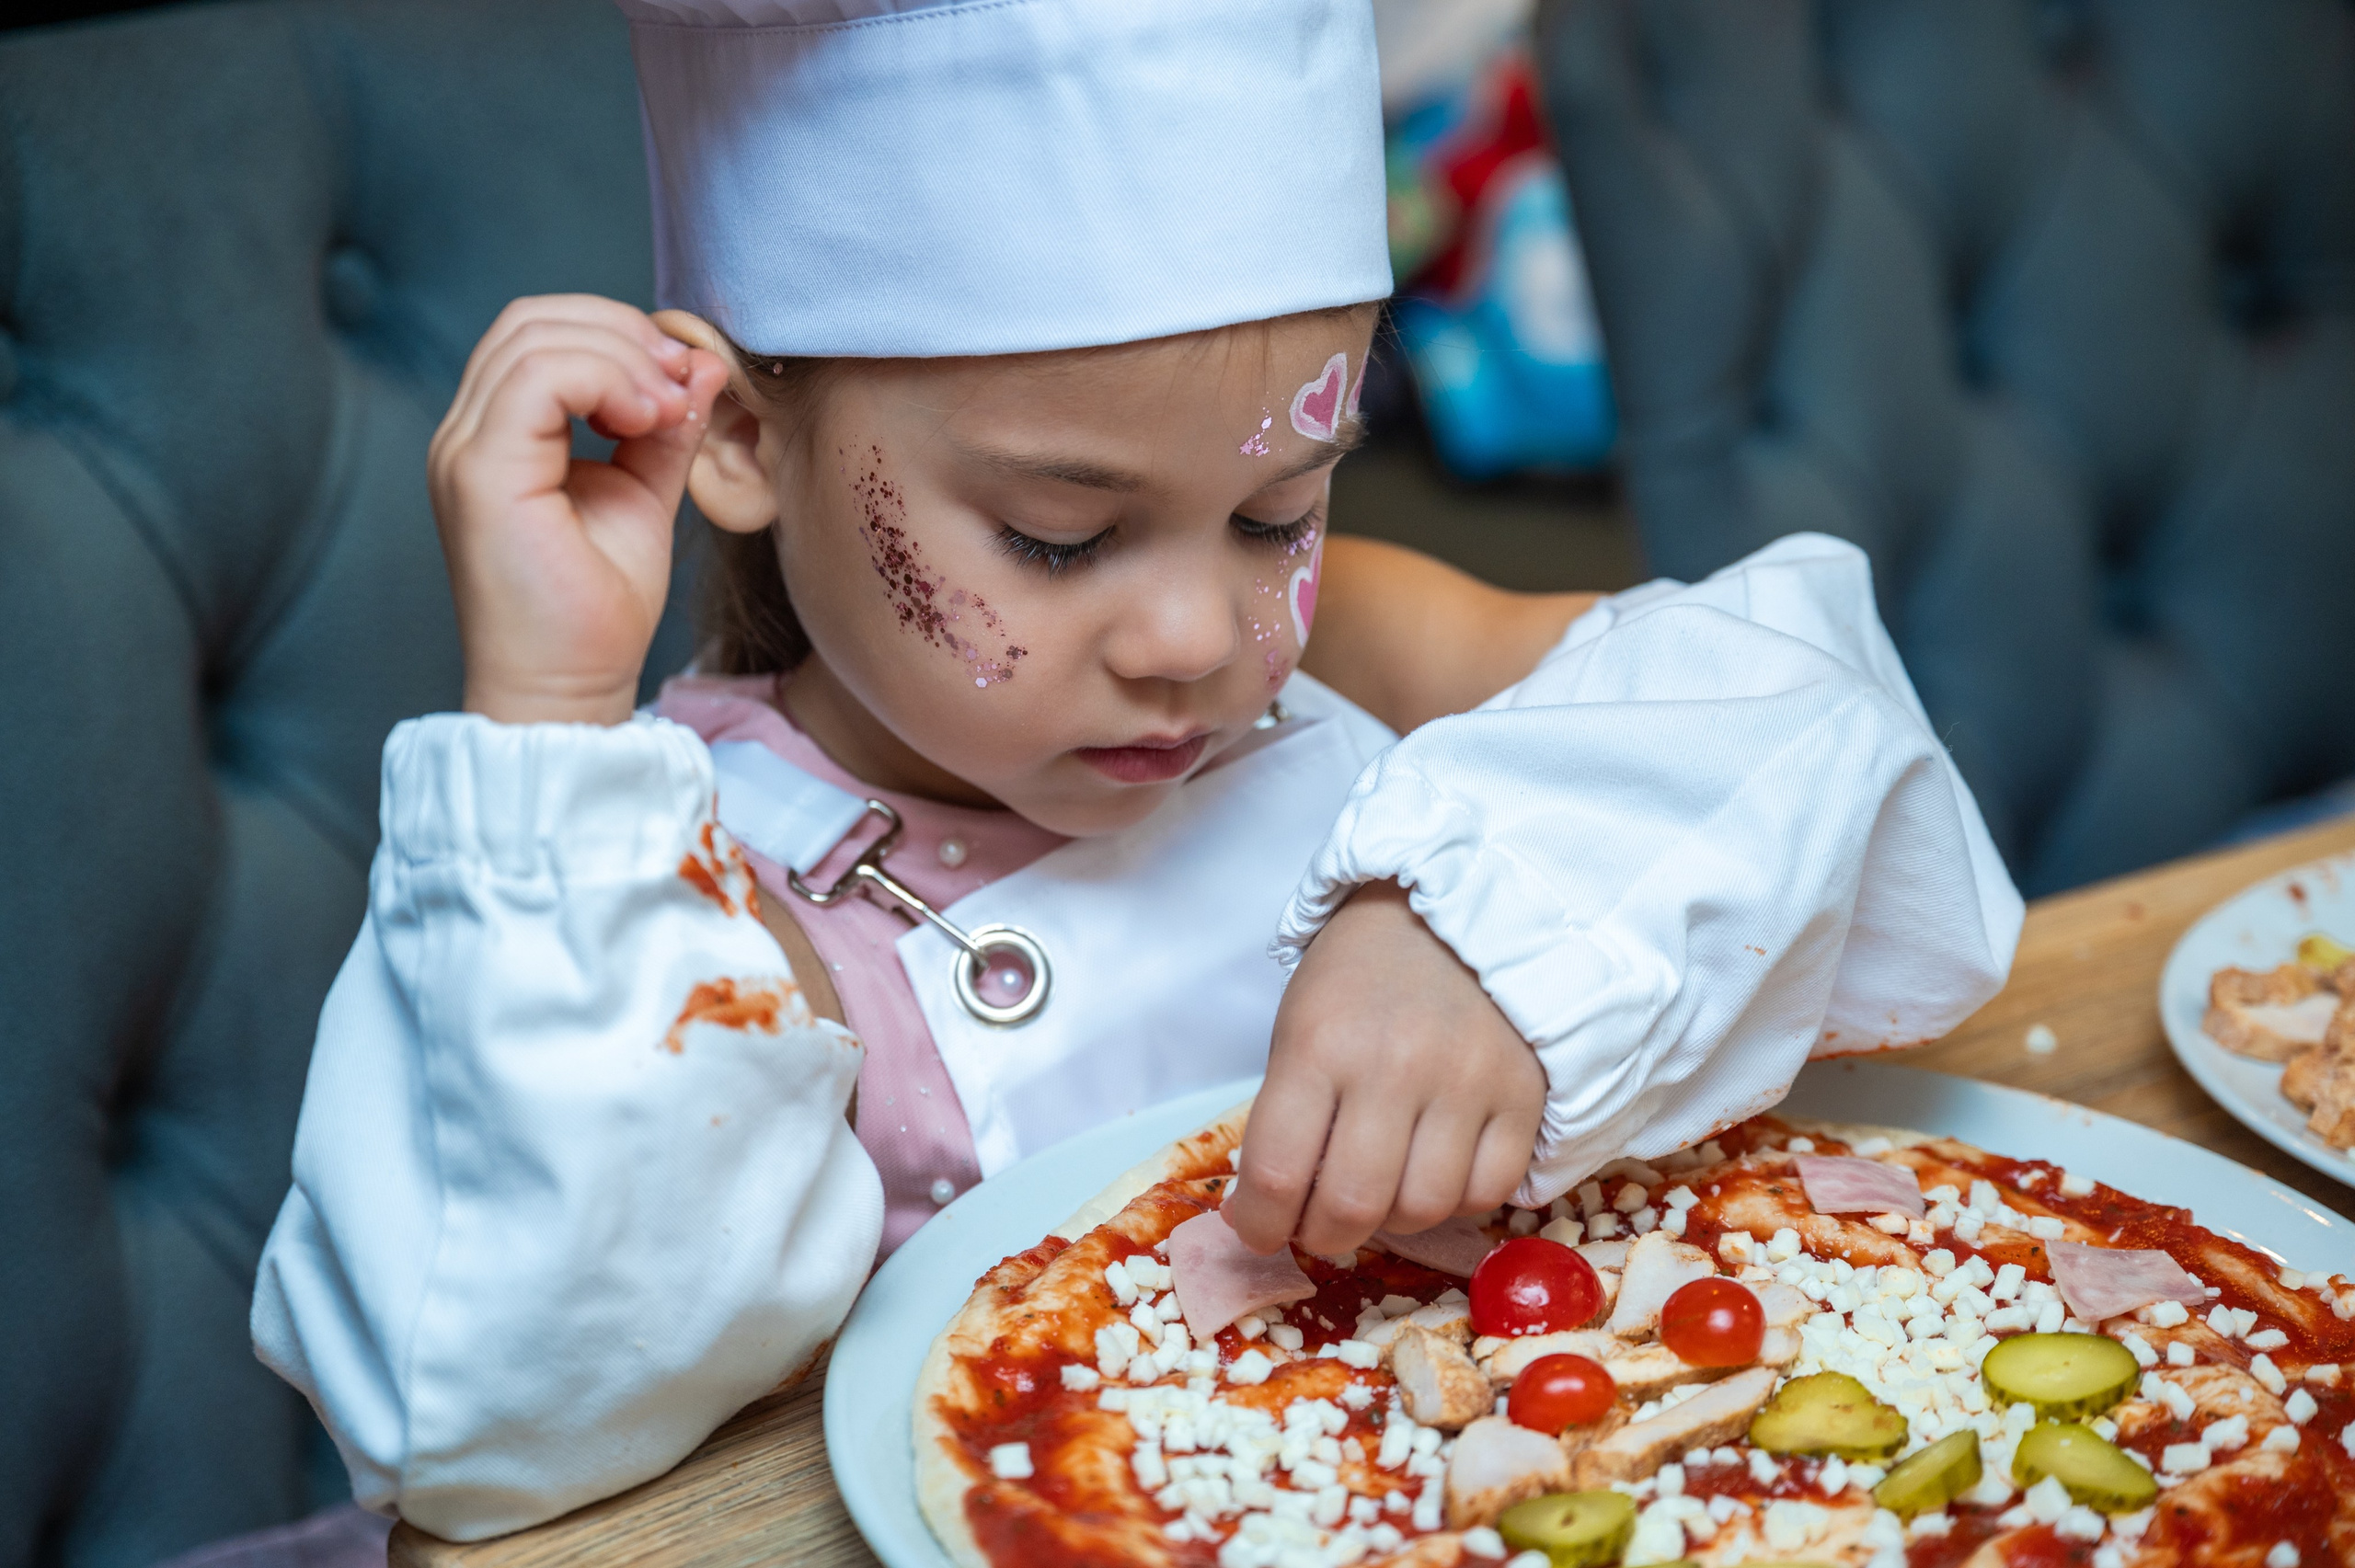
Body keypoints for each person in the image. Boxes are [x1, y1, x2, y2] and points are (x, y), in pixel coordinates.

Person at [250, 0, 2022, 1543]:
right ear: (736, 435)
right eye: (1058, 538)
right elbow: (494, 1411)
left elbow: (1796, 704)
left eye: (1277, 512)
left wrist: (1490, 915)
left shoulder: (1344, 644)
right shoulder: (708, 889)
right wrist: (548, 718)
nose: (1195, 635)